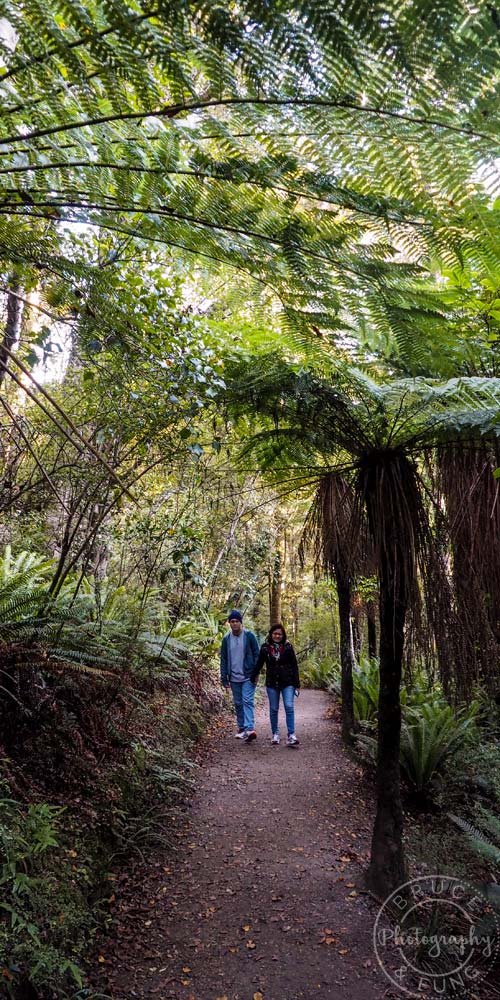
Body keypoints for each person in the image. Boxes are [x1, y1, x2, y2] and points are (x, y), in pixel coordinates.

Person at [251, 623, 300, 746]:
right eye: (275, 633)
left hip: (287, 681)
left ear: (283, 635)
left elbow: (294, 665)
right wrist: (253, 676)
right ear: (271, 634)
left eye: (279, 634)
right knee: (274, 709)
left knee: (289, 706)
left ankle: (291, 735)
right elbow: (259, 664)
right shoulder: (265, 648)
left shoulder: (288, 647)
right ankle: (275, 734)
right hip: (272, 682)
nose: (277, 636)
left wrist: (297, 683)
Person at [220, 609, 260, 743]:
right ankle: (242, 729)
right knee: (238, 703)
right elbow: (224, 659)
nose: (235, 623)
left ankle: (250, 729)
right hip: (233, 676)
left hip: (248, 675)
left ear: (241, 623)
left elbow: (257, 655)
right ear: (229, 623)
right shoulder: (226, 639)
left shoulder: (249, 636)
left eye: (237, 621)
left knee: (247, 700)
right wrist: (224, 677)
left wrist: (256, 672)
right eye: (232, 621)